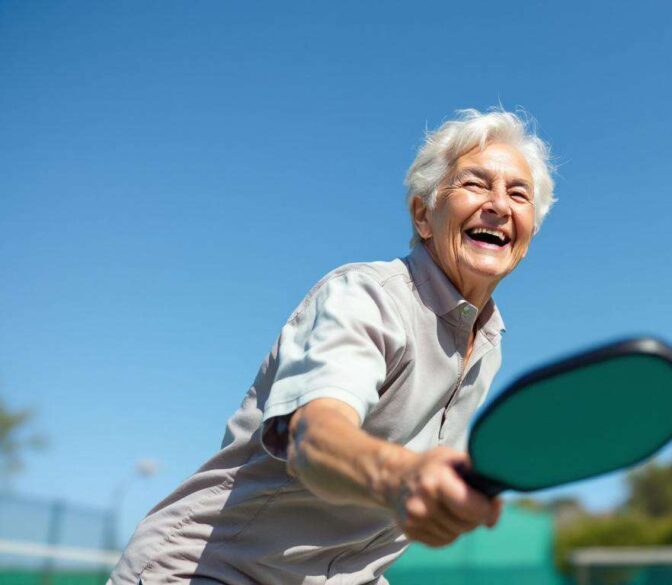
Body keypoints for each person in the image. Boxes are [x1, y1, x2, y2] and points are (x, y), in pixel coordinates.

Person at [108, 108, 556, 585]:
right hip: (214, 570)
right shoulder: (365, 296)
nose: (499, 205)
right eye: (475, 184)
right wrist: (404, 478)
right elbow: (314, 437)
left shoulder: (488, 346)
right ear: (424, 215)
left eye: (518, 193)